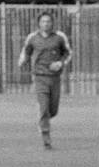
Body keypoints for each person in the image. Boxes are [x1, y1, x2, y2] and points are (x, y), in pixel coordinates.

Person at [17, 12, 72, 149]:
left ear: (52, 23)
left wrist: (60, 63)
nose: (46, 24)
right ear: (39, 23)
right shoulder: (33, 38)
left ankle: (43, 120)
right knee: (43, 108)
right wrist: (22, 61)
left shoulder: (59, 37)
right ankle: (46, 139)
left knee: (53, 110)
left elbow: (68, 53)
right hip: (39, 77)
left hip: (55, 78)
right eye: (43, 21)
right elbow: (26, 51)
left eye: (48, 21)